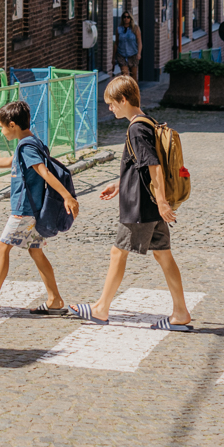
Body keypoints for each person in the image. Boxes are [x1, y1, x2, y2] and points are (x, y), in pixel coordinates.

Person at [69, 75, 193, 329]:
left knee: (118, 252)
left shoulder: (136, 127)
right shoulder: (148, 121)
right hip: (147, 203)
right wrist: (119, 183)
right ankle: (180, 313)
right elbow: (141, 167)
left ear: (123, 100)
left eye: (112, 103)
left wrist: (161, 203)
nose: (110, 108)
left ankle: (101, 308)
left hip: (141, 207)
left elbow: (154, 167)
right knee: (164, 256)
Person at [0, 99, 79, 316]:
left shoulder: (26, 146)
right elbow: (11, 161)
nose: (2, 131)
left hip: (24, 209)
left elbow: (43, 171)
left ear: (12, 125)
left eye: (2, 127)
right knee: (35, 251)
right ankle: (54, 300)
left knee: (2, 248)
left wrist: (67, 196)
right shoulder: (33, 142)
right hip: (34, 209)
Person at [113, 12, 141, 81]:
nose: (126, 18)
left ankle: (134, 91)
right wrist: (113, 57)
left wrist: (139, 53)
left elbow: (139, 42)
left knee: (133, 75)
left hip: (133, 54)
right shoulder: (119, 29)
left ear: (130, 19)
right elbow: (116, 43)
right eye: (124, 17)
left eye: (128, 17)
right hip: (121, 54)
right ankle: (127, 90)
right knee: (125, 75)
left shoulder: (135, 28)